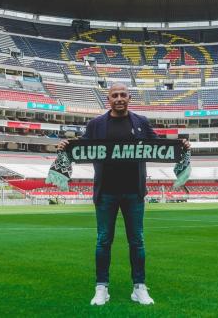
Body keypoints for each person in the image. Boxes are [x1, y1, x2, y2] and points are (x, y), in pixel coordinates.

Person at [58, 82, 190, 306]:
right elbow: (82, 146)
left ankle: (139, 287)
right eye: (115, 95)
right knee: (103, 241)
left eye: (123, 95)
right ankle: (101, 287)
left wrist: (180, 146)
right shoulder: (96, 124)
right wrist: (65, 146)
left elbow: (157, 146)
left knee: (137, 241)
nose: (119, 98)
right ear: (108, 99)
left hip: (134, 192)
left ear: (129, 98)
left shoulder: (141, 122)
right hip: (106, 192)